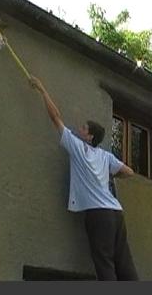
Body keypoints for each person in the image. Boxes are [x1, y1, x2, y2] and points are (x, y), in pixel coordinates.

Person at [29, 75, 139, 281]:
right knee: (124, 264)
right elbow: (129, 172)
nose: (79, 129)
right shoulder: (105, 156)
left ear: (89, 137)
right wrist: (107, 176)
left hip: (99, 215)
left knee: (104, 264)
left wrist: (42, 89)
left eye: (83, 128)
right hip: (116, 213)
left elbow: (55, 117)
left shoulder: (78, 148)